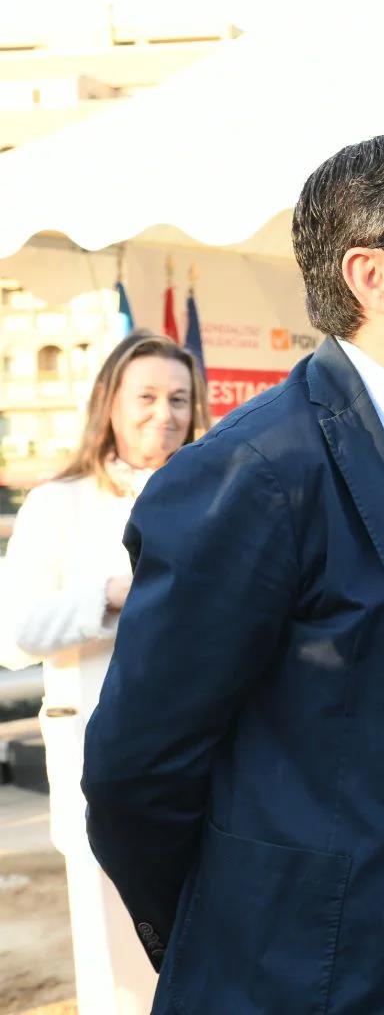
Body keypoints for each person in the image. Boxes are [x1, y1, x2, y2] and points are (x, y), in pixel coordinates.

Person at [80, 121, 384, 1014]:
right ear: (372, 277)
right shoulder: (254, 475)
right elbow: (135, 777)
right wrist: (248, 944)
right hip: (324, 983)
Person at [0, 329, 207, 1015]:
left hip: (208, 766)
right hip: (102, 767)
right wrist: (110, 595)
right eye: (146, 396)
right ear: (109, 402)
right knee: (117, 970)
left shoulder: (217, 491)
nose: (164, 413)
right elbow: (17, 632)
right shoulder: (58, 504)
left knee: (207, 955)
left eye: (179, 398)